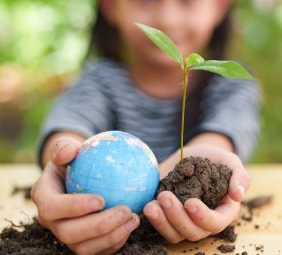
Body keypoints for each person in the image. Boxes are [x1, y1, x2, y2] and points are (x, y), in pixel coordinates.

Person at [31, 0, 261, 254]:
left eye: (187, 1)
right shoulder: (97, 82)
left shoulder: (230, 86)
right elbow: (68, 128)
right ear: (111, 7)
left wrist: (205, 167)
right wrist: (63, 163)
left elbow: (222, 136)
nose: (167, 20)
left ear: (218, 8)